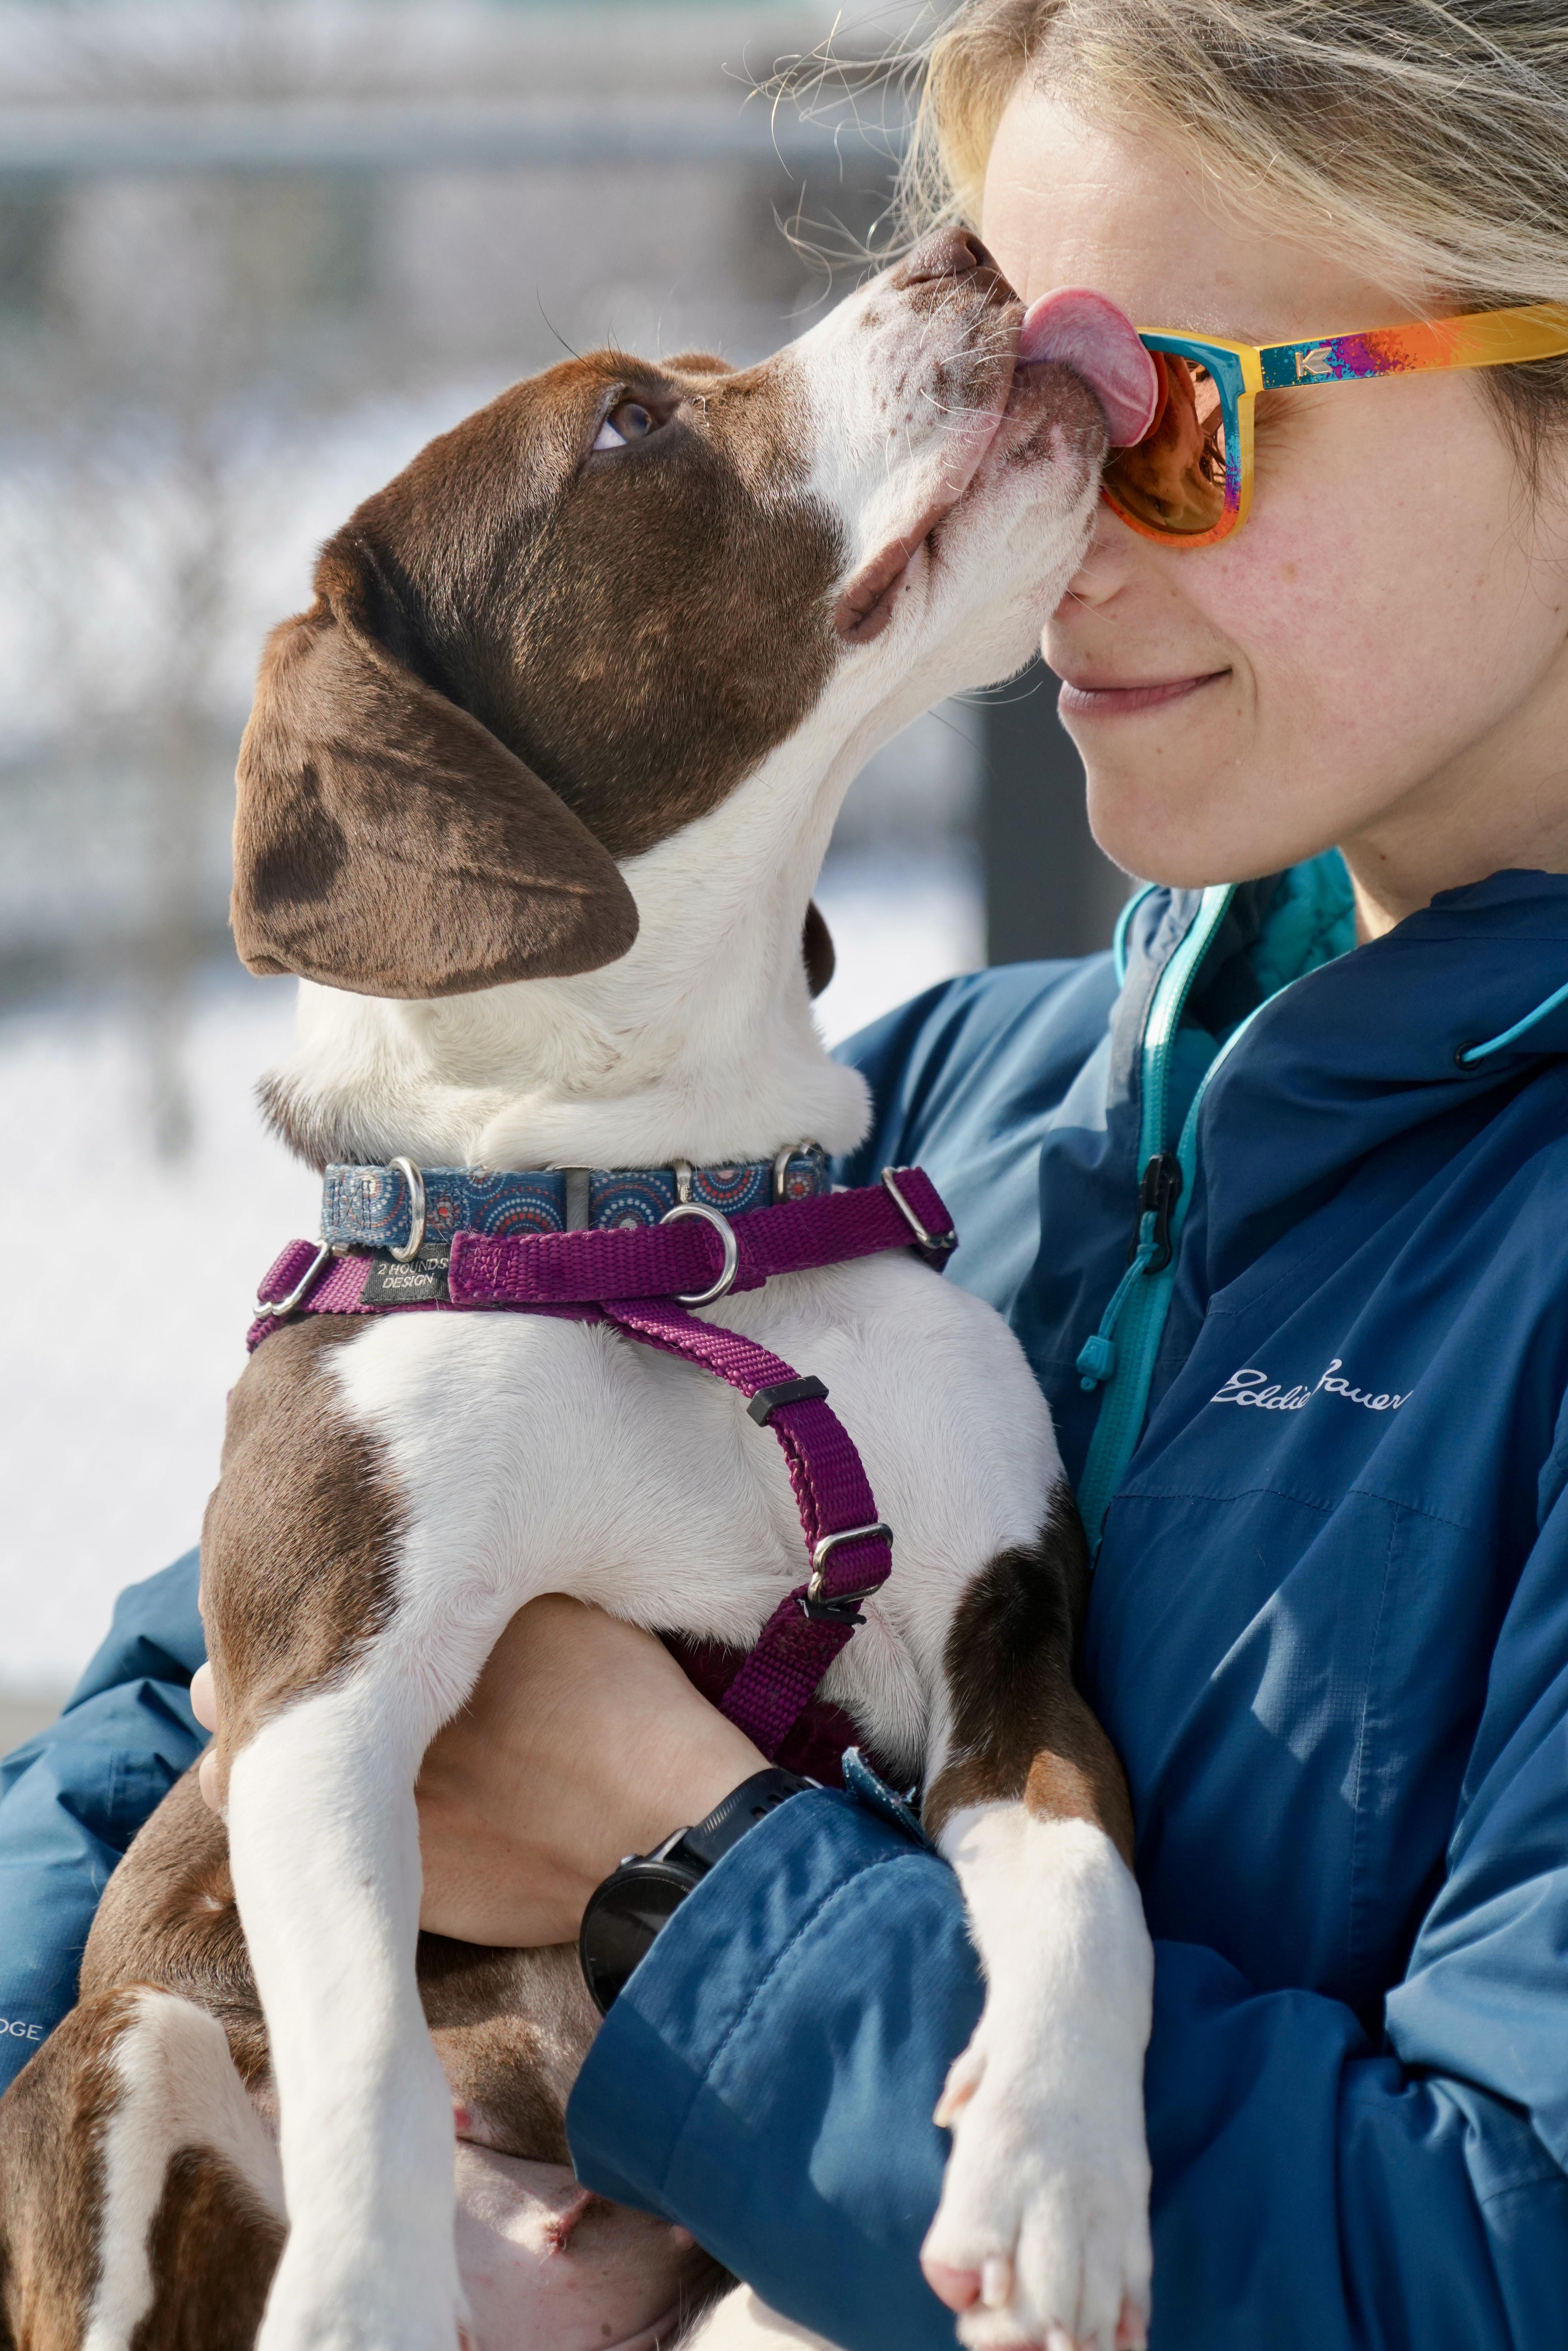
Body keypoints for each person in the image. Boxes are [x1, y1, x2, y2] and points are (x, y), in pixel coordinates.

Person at [6, 0, 1568, 2341]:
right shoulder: (918, 1112)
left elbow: (1481, 2277)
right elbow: (171, 1713)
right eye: (1029, 397)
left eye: (1173, 421)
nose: (1044, 523)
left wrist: (687, 1874)